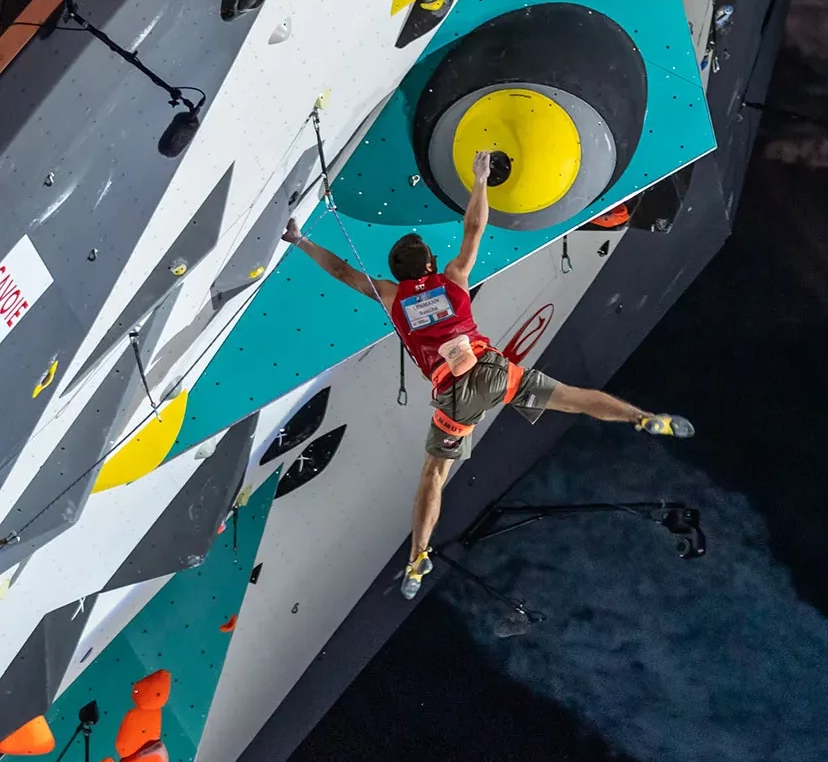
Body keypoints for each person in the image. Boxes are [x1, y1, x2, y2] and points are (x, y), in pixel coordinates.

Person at [282, 151, 693, 599]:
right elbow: (474, 227)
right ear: (430, 264)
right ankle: (643, 417)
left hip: (457, 394)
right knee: (574, 398)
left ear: (400, 273)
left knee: (433, 478)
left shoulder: (391, 295)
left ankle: (419, 557)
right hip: (491, 370)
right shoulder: (453, 277)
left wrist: (299, 239)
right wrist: (481, 179)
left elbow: (344, 272)